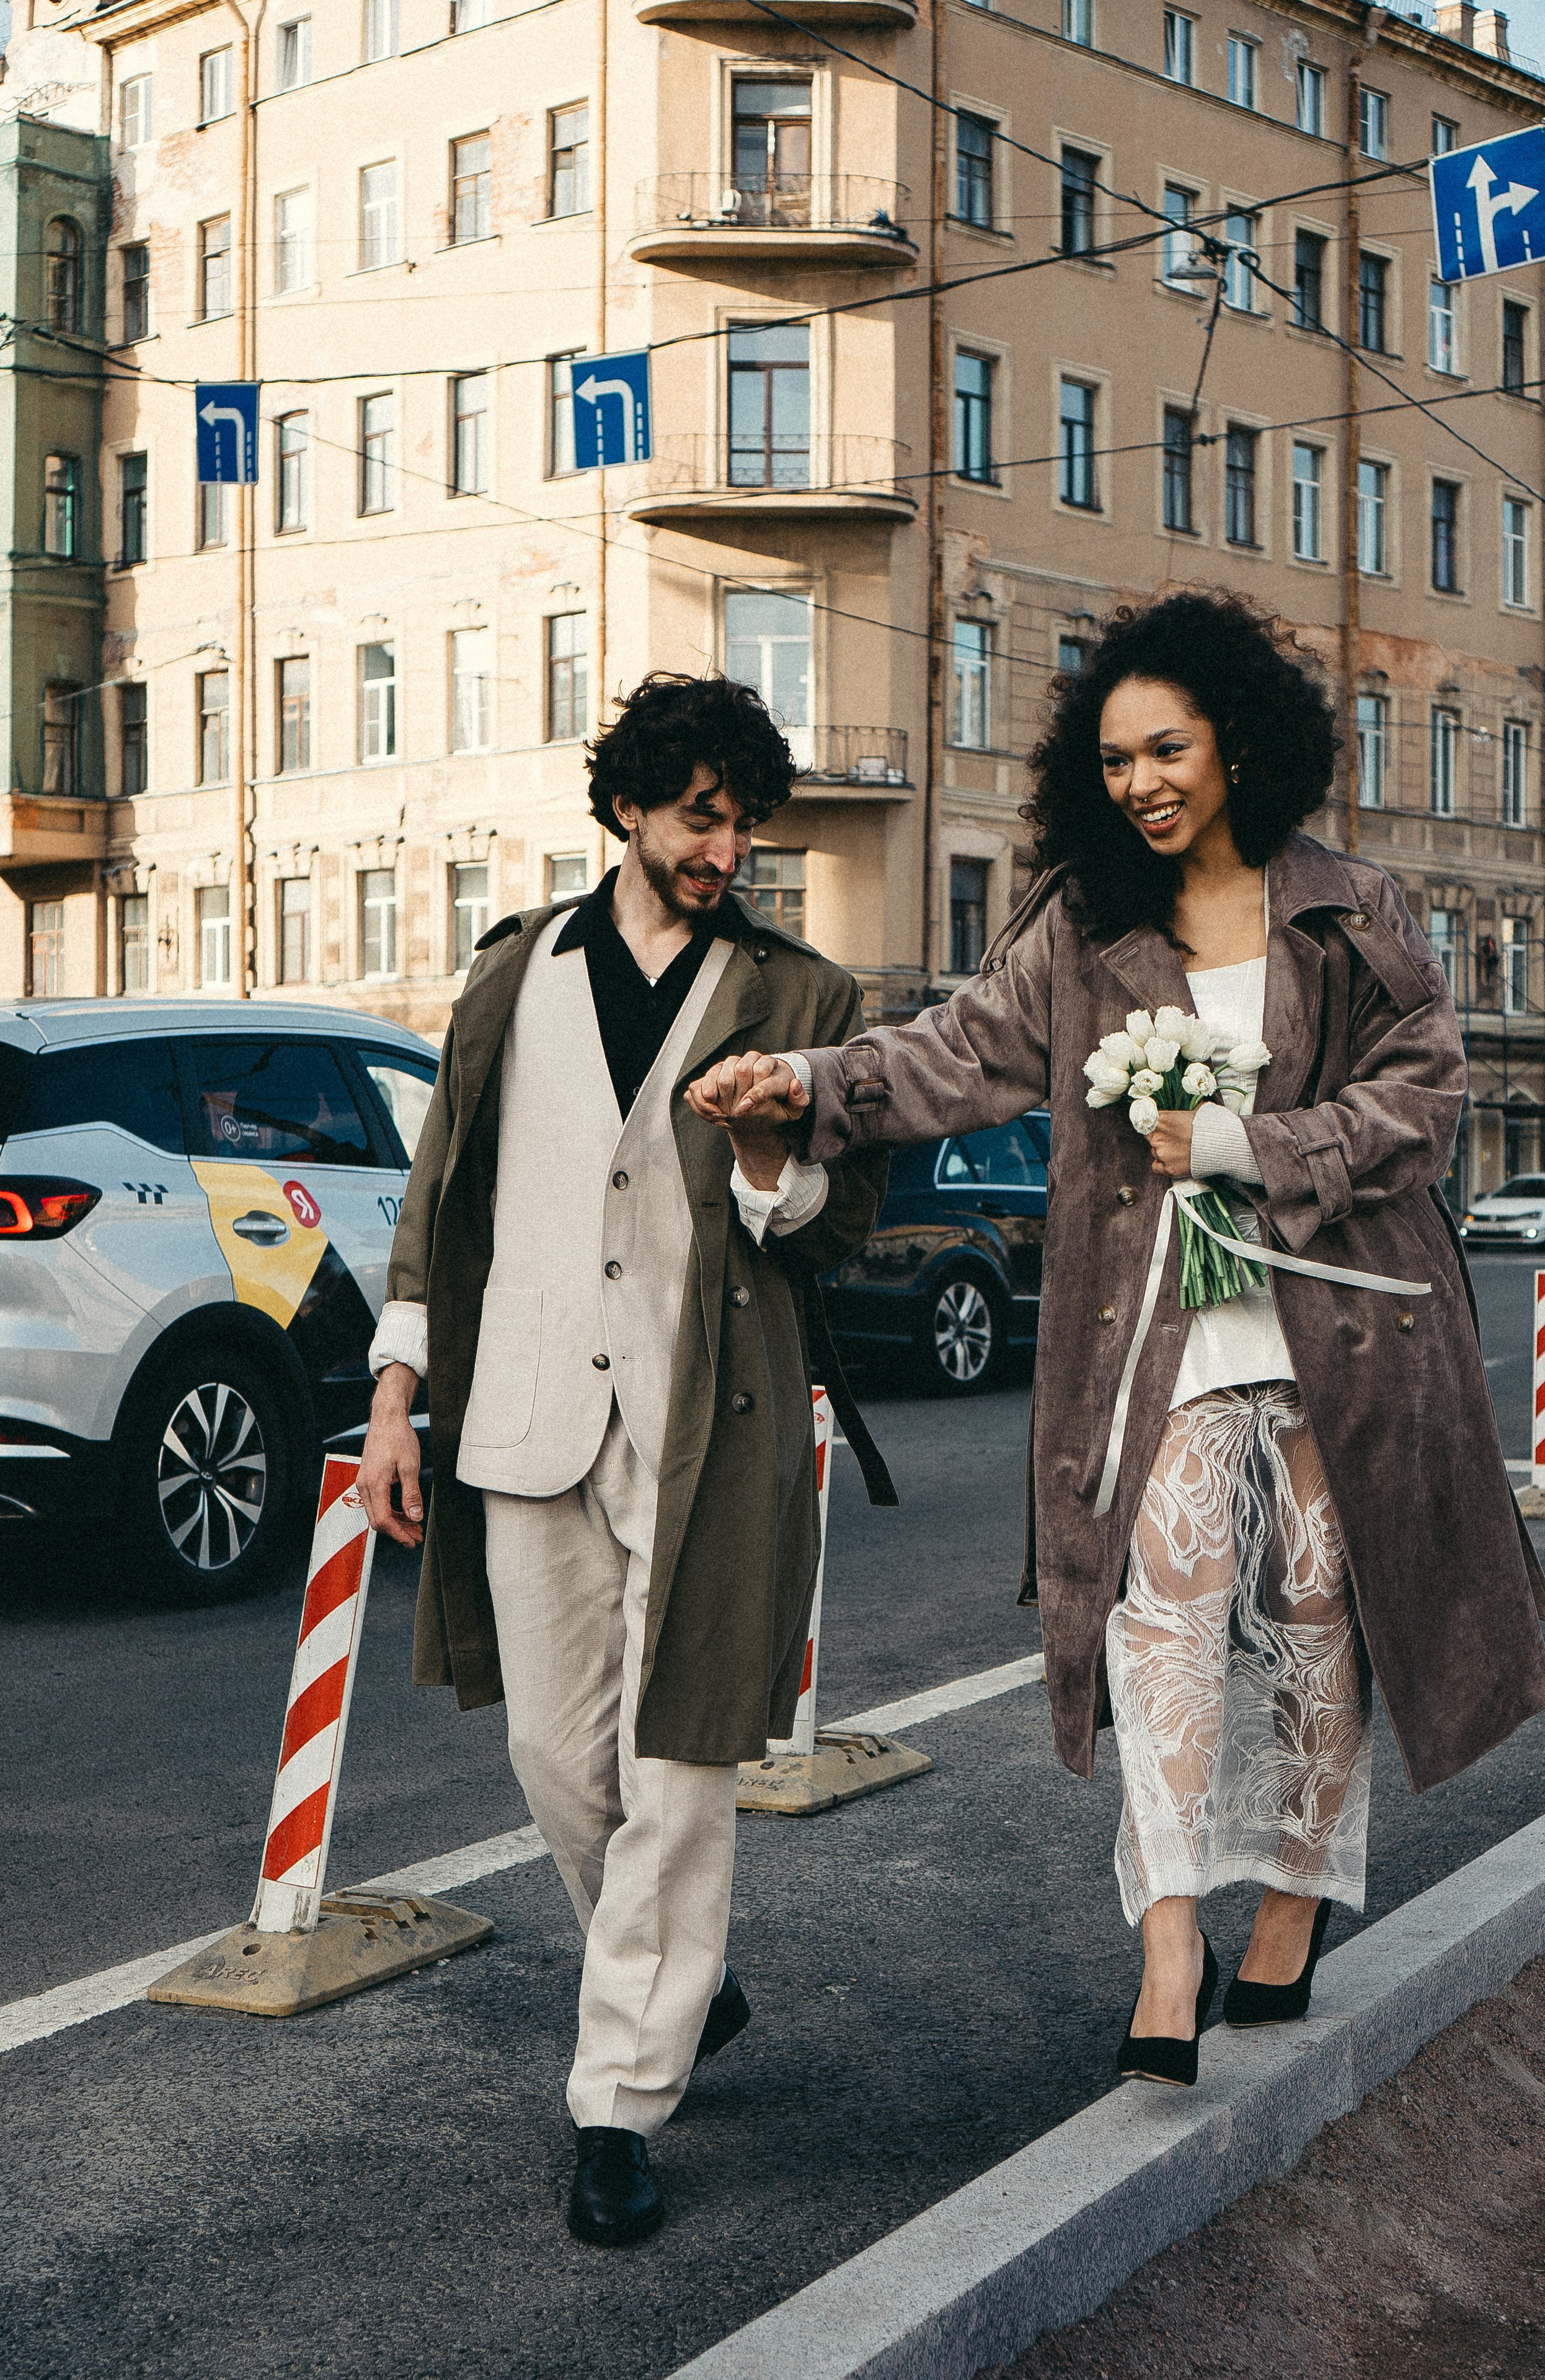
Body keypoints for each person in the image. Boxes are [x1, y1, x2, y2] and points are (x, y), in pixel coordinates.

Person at [688, 593, 1545, 2088]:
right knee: (1160, 1616)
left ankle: (1287, 1906)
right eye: (1114, 759)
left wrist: (1247, 1141)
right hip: (1156, 1335)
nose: (1140, 781)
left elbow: (1424, 1098)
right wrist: (806, 1081)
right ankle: (1163, 1932)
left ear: (1235, 745)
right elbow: (948, 1054)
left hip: (1339, 1334)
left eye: (1167, 748)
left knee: (1318, 1623)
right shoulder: (1083, 928)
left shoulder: (1351, 906)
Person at [358, 672, 892, 2242]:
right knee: (553, 1756)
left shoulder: (804, 999)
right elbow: (440, 1206)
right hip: (523, 1410)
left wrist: (761, 1158)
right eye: (698, 816)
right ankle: (678, 1984)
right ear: (626, 811)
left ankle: (616, 2102)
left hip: (709, 1421)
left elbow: (833, 1231)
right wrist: (397, 1395)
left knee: (679, 1761)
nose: (725, 847)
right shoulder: (511, 976)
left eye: (743, 821)